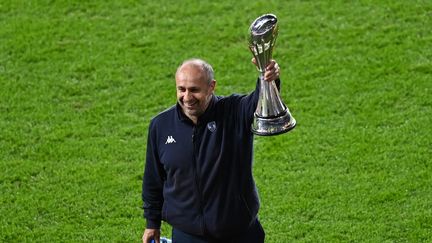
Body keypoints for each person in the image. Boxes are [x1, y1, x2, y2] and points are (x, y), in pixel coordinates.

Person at [142, 58, 281, 243]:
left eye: (194, 90)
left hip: (239, 233)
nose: (187, 97)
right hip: (188, 235)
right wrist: (152, 223)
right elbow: (154, 178)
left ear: (211, 86)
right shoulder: (161, 125)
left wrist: (268, 79)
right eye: (181, 89)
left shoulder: (234, 112)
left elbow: (261, 101)